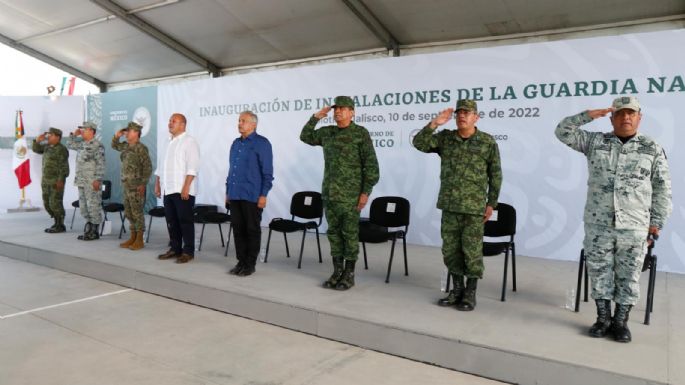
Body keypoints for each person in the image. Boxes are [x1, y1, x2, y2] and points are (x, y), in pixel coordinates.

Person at [555, 96, 672, 343]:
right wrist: (588, 115)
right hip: (599, 224)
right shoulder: (595, 141)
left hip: (635, 225)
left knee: (629, 275)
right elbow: (562, 131)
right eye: (620, 113)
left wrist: (656, 223)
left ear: (639, 118)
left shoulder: (651, 148)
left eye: (631, 113)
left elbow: (662, 188)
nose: (626, 117)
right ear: (612, 117)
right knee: (599, 271)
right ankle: (602, 318)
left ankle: (620, 322)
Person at [413, 99, 502, 311]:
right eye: (459, 113)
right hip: (450, 206)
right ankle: (456, 290)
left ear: (476, 117)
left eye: (467, 113)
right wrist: (435, 123)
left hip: (474, 209)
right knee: (451, 251)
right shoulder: (446, 139)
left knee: (471, 252)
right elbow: (420, 143)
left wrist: (491, 204)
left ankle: (470, 293)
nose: (462, 116)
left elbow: (495, 175)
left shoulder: (487, 142)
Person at [300, 96, 379, 290]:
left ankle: (349, 274)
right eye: (336, 109)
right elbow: (305, 136)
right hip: (330, 194)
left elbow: (371, 166)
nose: (338, 112)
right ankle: (337, 271)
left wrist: (365, 192)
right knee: (334, 234)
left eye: (343, 109)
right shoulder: (328, 132)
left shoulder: (360, 133)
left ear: (352, 113)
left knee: (349, 235)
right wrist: (316, 117)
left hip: (351, 196)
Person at [226, 111, 273, 277]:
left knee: (251, 230)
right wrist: (227, 191)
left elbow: (267, 172)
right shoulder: (236, 144)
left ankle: (250, 264)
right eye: (239, 120)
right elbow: (232, 170)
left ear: (254, 124)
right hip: (235, 194)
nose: (240, 123)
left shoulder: (262, 143)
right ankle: (241, 261)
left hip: (252, 195)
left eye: (243, 121)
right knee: (238, 229)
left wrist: (263, 194)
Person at [154, 113, 200, 264]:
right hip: (168, 188)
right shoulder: (167, 142)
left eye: (174, 121)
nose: (170, 123)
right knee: (171, 221)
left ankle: (188, 251)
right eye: (169, 120)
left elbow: (192, 168)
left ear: (183, 125)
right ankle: (175, 248)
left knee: (185, 221)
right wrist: (158, 184)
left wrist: (186, 187)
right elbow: (161, 167)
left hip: (183, 190)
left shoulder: (189, 141)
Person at [112, 122, 152, 250]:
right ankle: (133, 237)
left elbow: (147, 167)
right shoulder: (126, 146)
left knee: (137, 212)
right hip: (126, 185)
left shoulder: (141, 148)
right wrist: (117, 136)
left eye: (129, 131)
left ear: (136, 133)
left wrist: (143, 183)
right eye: (126, 131)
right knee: (129, 212)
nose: (127, 133)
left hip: (136, 186)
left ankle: (139, 239)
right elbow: (114, 145)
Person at [67, 121, 105, 240]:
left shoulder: (97, 145)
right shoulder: (82, 144)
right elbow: (69, 144)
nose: (82, 131)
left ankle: (95, 231)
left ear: (92, 131)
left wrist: (98, 179)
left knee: (93, 206)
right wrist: (74, 134)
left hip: (92, 181)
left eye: (85, 129)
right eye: (82, 129)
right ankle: (88, 229)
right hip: (81, 180)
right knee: (84, 207)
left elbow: (101, 164)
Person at [32, 127, 70, 233]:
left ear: (57, 137)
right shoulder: (47, 147)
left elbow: (64, 167)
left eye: (51, 135)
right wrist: (37, 141)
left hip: (56, 181)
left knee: (55, 203)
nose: (48, 136)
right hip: (46, 180)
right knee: (47, 203)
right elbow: (36, 149)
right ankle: (56, 221)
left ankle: (60, 224)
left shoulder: (61, 149)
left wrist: (61, 180)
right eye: (48, 135)